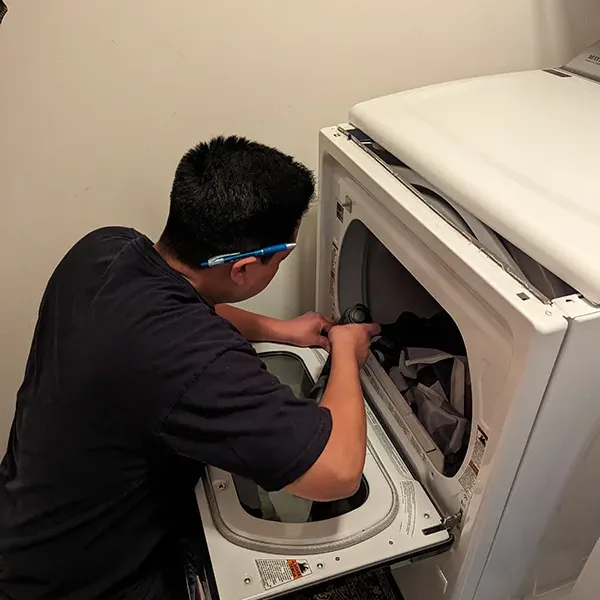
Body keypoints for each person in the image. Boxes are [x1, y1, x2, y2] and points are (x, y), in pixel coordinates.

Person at [0, 136, 380, 600]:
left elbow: (190, 308)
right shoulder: (196, 363)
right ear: (242, 269)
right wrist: (346, 353)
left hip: (23, 526)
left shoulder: (105, 249)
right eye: (281, 259)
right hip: (81, 582)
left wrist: (280, 329)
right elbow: (337, 472)